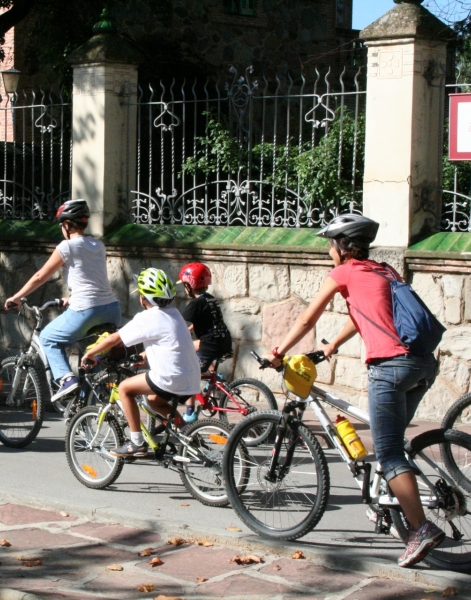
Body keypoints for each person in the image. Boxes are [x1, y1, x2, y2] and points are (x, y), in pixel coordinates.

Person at [260, 213, 442, 568]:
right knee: (394, 439)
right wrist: (331, 347)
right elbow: (366, 314)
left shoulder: (344, 272)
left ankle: (421, 530)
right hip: (422, 364)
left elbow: (307, 318)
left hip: (389, 368)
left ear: (341, 248)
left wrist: (278, 351)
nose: (329, 252)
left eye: (330, 245)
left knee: (388, 454)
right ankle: (394, 512)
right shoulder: (384, 271)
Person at [4, 199, 121, 401]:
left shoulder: (67, 246)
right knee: (92, 357)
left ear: (66, 225)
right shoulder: (98, 245)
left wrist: (16, 297)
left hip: (87, 310)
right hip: (111, 308)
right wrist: (72, 296)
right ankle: (87, 408)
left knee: (48, 337)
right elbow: (92, 278)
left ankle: (66, 379)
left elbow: (41, 276)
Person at [81, 268, 201, 458]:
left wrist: (91, 353)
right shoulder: (175, 313)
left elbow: (115, 339)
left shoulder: (147, 317)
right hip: (192, 377)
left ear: (143, 298)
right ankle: (190, 434)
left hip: (169, 377)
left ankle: (136, 443)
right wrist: (145, 355)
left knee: (124, 389)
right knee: (155, 401)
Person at [177, 262, 232, 423]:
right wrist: (191, 329)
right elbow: (209, 320)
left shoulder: (195, 303)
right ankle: (214, 378)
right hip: (223, 341)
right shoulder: (210, 299)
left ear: (189, 285)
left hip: (210, 346)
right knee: (193, 349)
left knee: (189, 373)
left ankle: (190, 413)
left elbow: (177, 322)